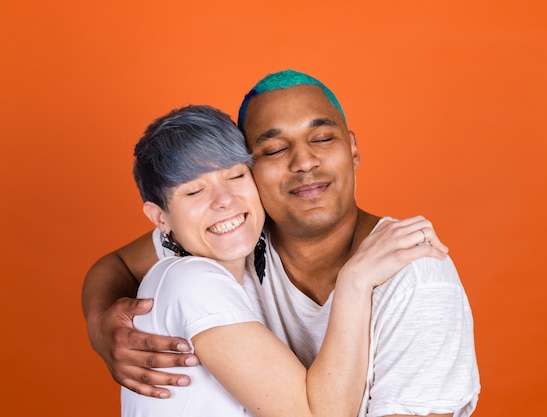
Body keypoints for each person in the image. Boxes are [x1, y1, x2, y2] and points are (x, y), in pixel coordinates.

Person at [82, 70, 480, 417]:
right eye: (274, 149)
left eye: (322, 138)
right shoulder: (225, 239)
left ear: (353, 148)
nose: (304, 161)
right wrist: (103, 328)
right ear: (252, 169)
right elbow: (115, 266)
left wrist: (354, 280)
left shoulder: (415, 276)